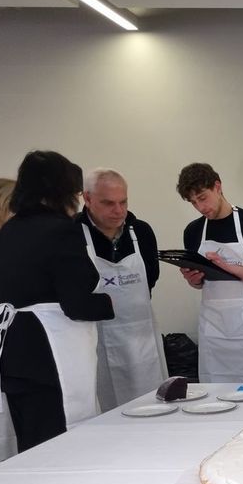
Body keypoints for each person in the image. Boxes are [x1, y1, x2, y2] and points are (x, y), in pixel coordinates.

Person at [0, 151, 113, 456]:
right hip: (51, 357)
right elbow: (76, 304)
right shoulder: (60, 230)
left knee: (31, 446)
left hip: (13, 357)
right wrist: (108, 303)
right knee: (61, 446)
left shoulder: (5, 234)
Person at [75, 168, 166, 411]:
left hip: (142, 335)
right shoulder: (72, 234)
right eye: (108, 203)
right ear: (88, 198)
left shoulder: (141, 232)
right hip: (97, 339)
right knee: (106, 409)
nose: (118, 211)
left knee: (151, 406)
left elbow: (151, 278)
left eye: (123, 202)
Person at [176, 163, 243, 383]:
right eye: (193, 202)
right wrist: (193, 280)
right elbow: (200, 283)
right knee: (214, 392)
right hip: (213, 329)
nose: (200, 207)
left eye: (203, 198)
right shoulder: (193, 231)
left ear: (218, 186)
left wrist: (226, 266)